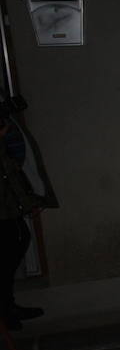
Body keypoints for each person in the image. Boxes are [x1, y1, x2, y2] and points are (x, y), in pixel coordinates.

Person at [0, 111, 57, 331]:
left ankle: (7, 306)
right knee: (13, 243)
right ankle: (5, 308)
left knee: (17, 241)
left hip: (7, 203)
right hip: (4, 206)